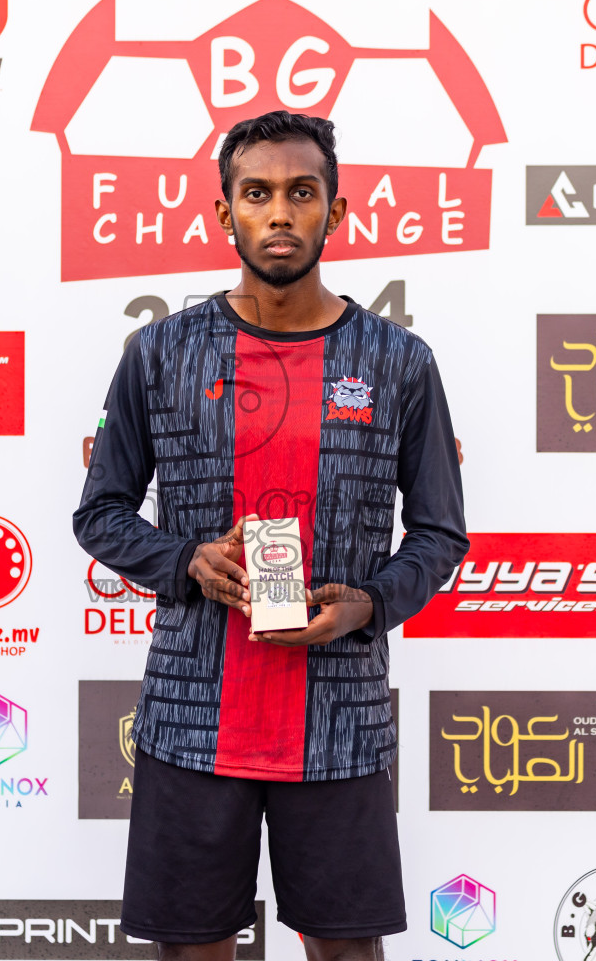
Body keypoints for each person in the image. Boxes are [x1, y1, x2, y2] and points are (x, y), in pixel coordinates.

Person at [73, 110, 468, 961]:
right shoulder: (159, 353)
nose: (280, 214)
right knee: (192, 950)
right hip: (192, 714)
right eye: (257, 194)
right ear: (224, 214)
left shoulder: (398, 361)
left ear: (338, 210)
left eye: (302, 192)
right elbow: (99, 513)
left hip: (340, 718)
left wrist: (369, 603)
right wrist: (185, 559)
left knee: (347, 952)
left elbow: (439, 534)